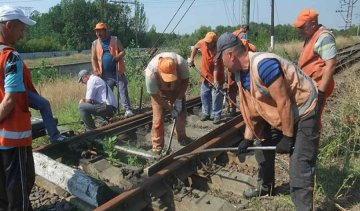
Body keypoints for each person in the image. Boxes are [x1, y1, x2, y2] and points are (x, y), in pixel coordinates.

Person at [215, 32, 320, 211]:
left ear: (230, 55)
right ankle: (266, 188)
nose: (221, 62)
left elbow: (284, 101)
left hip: (304, 111)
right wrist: (248, 138)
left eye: (221, 58)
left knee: (299, 166)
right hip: (282, 114)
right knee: (261, 146)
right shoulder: (241, 74)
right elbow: (254, 108)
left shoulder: (264, 65)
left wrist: (287, 137)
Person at [0, 5, 36, 210]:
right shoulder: (10, 57)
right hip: (14, 137)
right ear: (9, 25)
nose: (23, 34)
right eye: (21, 28)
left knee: (3, 193)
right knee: (20, 190)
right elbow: (10, 99)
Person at [293, 9, 337, 124]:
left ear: (313, 24)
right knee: (307, 118)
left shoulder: (324, 37)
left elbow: (331, 65)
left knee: (313, 120)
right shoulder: (311, 36)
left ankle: (312, 140)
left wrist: (321, 93)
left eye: (302, 27)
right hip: (310, 86)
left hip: (318, 87)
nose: (299, 30)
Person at [145, 52, 190, 155]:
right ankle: (157, 147)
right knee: (157, 120)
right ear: (160, 71)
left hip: (177, 90)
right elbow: (155, 96)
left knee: (181, 114)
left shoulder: (181, 63)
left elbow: (185, 81)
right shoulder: (150, 73)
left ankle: (182, 137)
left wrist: (179, 99)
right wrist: (170, 108)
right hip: (159, 93)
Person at [91, 22, 134, 118]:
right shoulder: (95, 43)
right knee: (106, 95)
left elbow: (123, 51)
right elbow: (93, 58)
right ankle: (109, 112)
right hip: (105, 75)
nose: (98, 34)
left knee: (122, 91)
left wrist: (118, 56)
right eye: (96, 32)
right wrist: (95, 70)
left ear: (105, 31)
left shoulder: (114, 40)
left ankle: (127, 109)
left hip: (118, 72)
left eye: (100, 31)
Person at [188, 32, 225, 124]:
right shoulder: (202, 43)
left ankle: (216, 115)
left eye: (209, 43)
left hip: (217, 76)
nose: (207, 44)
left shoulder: (218, 50)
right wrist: (192, 58)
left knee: (216, 96)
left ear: (214, 42)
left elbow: (216, 67)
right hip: (205, 75)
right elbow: (195, 47)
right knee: (204, 94)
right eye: (206, 42)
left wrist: (215, 80)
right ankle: (206, 113)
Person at [227, 30, 257, 116]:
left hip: (245, 70)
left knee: (246, 87)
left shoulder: (252, 48)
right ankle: (232, 107)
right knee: (232, 87)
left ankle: (249, 107)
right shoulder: (231, 48)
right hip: (233, 69)